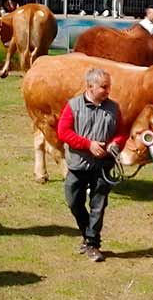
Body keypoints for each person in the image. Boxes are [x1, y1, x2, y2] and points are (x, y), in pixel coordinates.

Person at [57, 68, 124, 262]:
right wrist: (89, 145)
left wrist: (116, 143)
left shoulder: (114, 108)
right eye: (104, 87)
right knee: (73, 201)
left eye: (108, 86)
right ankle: (88, 235)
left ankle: (93, 244)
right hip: (78, 165)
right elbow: (64, 132)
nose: (107, 90)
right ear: (90, 86)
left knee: (98, 206)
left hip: (103, 166)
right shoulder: (73, 106)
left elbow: (122, 132)